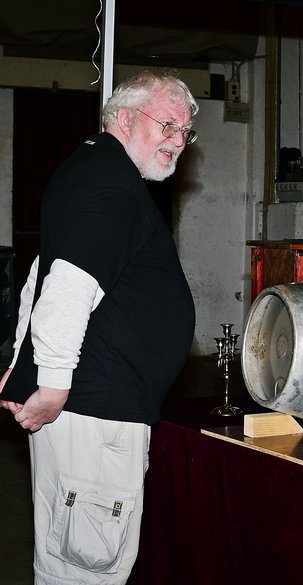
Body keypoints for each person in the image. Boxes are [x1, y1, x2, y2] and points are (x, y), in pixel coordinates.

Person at [0, 70, 198, 584]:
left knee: (68, 562)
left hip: (88, 413)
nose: (178, 141)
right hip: (95, 415)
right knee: (85, 570)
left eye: (185, 131)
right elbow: (67, 286)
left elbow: (40, 276)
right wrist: (50, 386)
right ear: (125, 118)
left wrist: (23, 369)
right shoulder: (113, 184)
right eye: (167, 124)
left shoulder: (88, 168)